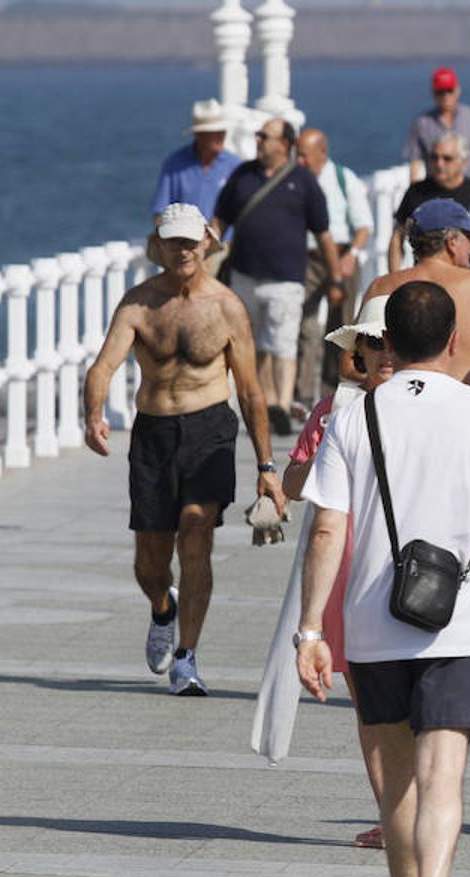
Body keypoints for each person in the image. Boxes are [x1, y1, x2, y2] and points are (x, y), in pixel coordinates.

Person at [295, 280, 470, 877]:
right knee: (441, 777)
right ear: (454, 341)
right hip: (463, 626)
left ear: (387, 340)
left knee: (397, 783)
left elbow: (324, 530)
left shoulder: (352, 417)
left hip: (373, 626)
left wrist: (311, 630)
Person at [83, 203, 287, 696]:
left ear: (207, 244)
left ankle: (187, 657)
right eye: (174, 241)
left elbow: (251, 391)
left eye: (191, 240)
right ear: (160, 247)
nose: (184, 249)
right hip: (153, 433)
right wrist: (93, 415)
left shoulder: (226, 307)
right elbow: (103, 366)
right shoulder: (138, 304)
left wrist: (267, 467)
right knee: (148, 564)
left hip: (209, 429)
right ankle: (162, 607)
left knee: (197, 533)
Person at [281, 294, 396, 851]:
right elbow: (292, 485)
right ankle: (393, 812)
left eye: (393, 340)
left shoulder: (436, 407)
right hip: (345, 567)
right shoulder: (333, 410)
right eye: (373, 343)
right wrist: (326, 448)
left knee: (412, 700)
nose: (384, 353)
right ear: (358, 352)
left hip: (407, 565)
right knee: (370, 703)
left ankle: (414, 804)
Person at [212, 117, 343, 436]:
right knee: (254, 343)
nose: (258, 141)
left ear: (284, 143)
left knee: (283, 343)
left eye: (264, 136)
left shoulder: (303, 181)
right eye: (257, 135)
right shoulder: (242, 176)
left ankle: (282, 405)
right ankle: (266, 401)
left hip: (286, 278)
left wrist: (335, 278)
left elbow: (323, 234)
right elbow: (220, 221)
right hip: (245, 275)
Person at [365, 199, 470, 391]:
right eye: (469, 238)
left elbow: (351, 363)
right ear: (452, 242)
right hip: (463, 407)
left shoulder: (381, 286)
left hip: (399, 407)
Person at [294, 127, 375, 410]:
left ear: (321, 153)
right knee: (304, 324)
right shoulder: (294, 181)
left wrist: (351, 255)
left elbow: (364, 226)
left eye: (304, 156)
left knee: (340, 328)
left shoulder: (343, 179)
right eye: (297, 155)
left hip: (341, 257)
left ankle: (331, 390)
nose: (300, 161)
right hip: (306, 258)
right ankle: (302, 395)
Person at [388, 134, 470, 273]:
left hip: (464, 280)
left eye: (447, 158)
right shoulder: (416, 192)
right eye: (434, 157)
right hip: (425, 281)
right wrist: (395, 277)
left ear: (464, 161)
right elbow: (397, 237)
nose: (439, 164)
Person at [150, 99, 241, 228]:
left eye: (223, 131)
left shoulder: (235, 166)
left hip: (225, 245)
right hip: (185, 246)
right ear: (200, 135)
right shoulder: (174, 164)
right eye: (215, 132)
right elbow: (160, 212)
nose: (222, 136)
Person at [403, 66, 470, 186]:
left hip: (468, 188)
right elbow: (415, 161)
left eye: (449, 90)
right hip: (435, 188)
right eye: (440, 92)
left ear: (457, 90)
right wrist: (414, 192)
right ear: (434, 93)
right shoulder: (423, 123)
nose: (445, 96)